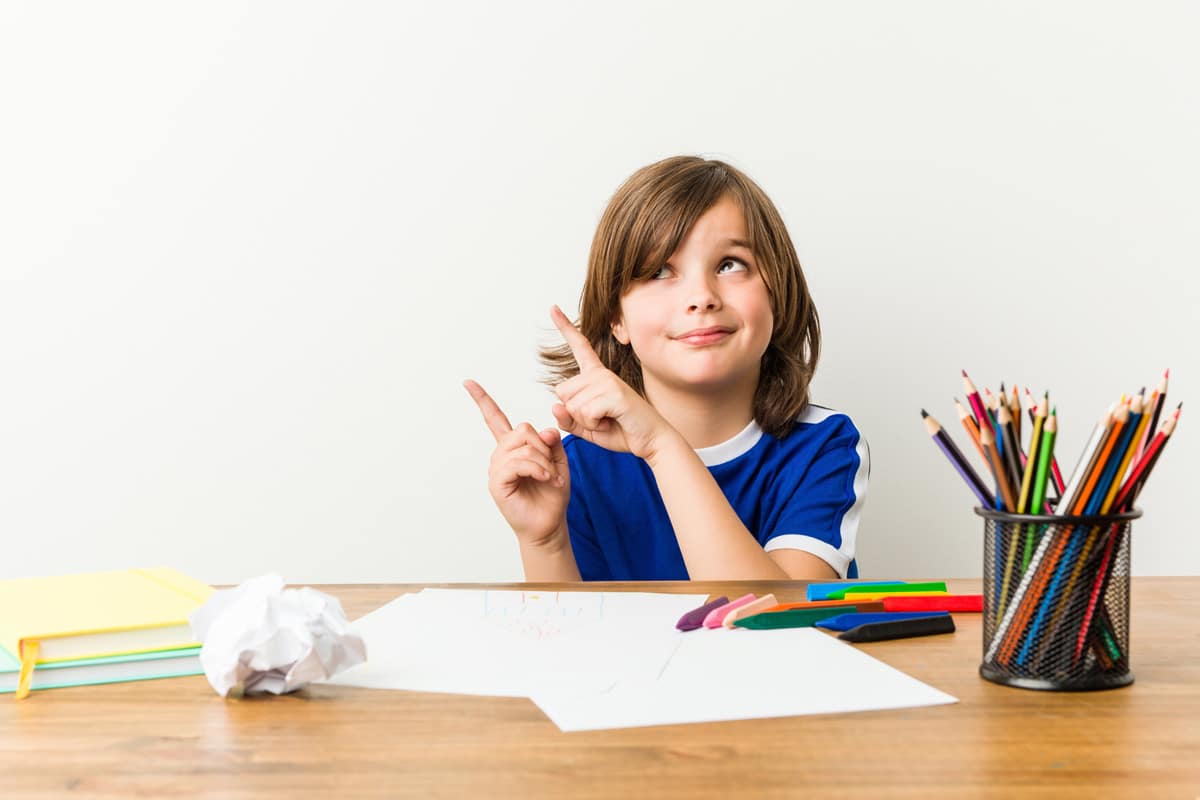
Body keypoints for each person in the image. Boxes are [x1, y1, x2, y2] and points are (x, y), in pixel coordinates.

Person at [465, 155, 868, 581]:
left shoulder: (824, 445)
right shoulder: (575, 469)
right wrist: (543, 541)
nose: (701, 297)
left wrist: (661, 445)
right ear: (615, 319)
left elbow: (775, 618)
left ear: (777, 292)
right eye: (659, 271)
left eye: (730, 264)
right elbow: (568, 640)